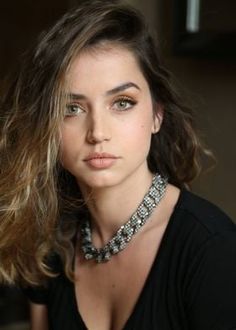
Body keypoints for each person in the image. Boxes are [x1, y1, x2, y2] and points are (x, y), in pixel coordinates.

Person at [0, 1, 236, 329]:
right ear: (48, 126)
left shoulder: (214, 251)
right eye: (72, 109)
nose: (98, 133)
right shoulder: (48, 243)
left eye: (122, 103)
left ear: (157, 115)